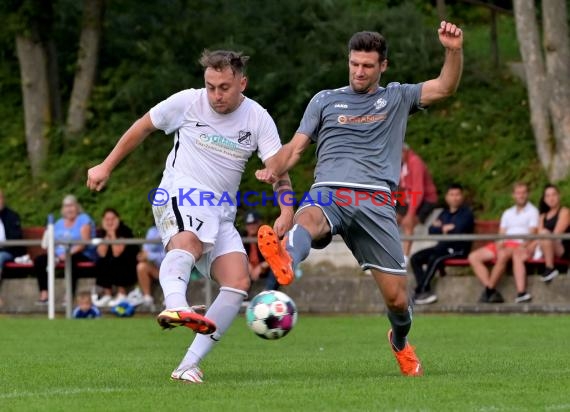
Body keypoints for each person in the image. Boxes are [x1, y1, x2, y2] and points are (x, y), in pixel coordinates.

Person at [255, 21, 464, 377]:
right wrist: (274, 168)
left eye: (367, 66)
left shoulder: (397, 96)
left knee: (398, 300)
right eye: (354, 64)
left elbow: (445, 87)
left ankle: (399, 341)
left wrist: (453, 50)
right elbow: (295, 149)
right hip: (329, 191)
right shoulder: (324, 100)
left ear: (383, 66)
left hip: (376, 201)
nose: (359, 71)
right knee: (309, 219)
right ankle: (287, 258)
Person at [86, 50, 294, 383]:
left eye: (224, 87)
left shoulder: (258, 118)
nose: (216, 95)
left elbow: (279, 170)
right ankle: (175, 304)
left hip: (222, 211)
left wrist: (286, 209)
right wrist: (106, 166)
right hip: (180, 193)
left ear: (243, 82)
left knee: (238, 281)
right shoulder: (187, 102)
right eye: (210, 86)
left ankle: (187, 365)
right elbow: (142, 127)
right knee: (188, 242)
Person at [468, 182, 539, 303]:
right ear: (513, 195)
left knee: (503, 254)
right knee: (473, 257)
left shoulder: (533, 211)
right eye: (518, 193)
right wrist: (500, 244)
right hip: (505, 244)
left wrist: (522, 245)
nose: (521, 196)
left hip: (518, 244)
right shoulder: (508, 212)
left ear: (527, 194)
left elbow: (531, 234)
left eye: (523, 193)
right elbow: (501, 233)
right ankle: (491, 289)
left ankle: (489, 290)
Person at [410, 183, 474, 305]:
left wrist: (442, 227)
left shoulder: (466, 213)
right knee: (415, 258)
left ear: (462, 197)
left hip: (458, 249)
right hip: (441, 247)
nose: (455, 197)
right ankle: (424, 290)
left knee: (435, 258)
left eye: (457, 194)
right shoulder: (444, 213)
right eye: (452, 194)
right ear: (447, 197)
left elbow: (459, 229)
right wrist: (445, 228)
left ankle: (421, 290)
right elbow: (431, 230)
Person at [33, 195, 97, 304]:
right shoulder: (58, 223)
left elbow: (83, 243)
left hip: (80, 253)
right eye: (66, 206)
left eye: (71, 205)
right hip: (59, 254)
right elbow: (50, 242)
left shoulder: (83, 219)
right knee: (40, 260)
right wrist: (56, 255)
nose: (69, 209)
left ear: (77, 207)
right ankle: (44, 294)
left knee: (71, 261)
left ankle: (68, 295)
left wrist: (67, 254)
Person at [511, 184, 569, 299]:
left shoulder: (565, 212)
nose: (551, 198)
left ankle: (550, 267)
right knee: (518, 253)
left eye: (553, 195)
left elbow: (556, 235)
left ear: (559, 196)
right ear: (544, 199)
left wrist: (538, 241)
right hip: (544, 245)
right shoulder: (542, 216)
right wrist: (526, 248)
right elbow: (538, 237)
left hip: (562, 247)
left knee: (544, 234)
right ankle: (521, 292)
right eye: (548, 196)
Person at [397, 144, 439, 261]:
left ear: (404, 151)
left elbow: (418, 190)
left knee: (408, 223)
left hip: (425, 199)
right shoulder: (400, 164)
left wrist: (410, 214)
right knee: (390, 221)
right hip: (407, 197)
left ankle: (404, 258)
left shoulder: (415, 163)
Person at [93, 208, 139, 307]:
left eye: (112, 219)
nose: (110, 222)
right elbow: (102, 253)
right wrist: (107, 234)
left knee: (118, 260)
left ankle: (122, 294)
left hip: (128, 264)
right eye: (107, 219)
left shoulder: (124, 230)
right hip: (110, 263)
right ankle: (107, 294)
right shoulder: (101, 232)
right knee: (101, 261)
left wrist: (112, 233)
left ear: (118, 219)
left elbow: (117, 252)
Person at [243, 210, 279, 292]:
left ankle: (267, 292)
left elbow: (276, 254)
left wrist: (262, 266)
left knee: (276, 269)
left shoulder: (267, 235)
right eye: (249, 224)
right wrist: (246, 264)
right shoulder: (242, 237)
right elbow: (236, 256)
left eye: (254, 223)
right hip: (249, 270)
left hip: (264, 270)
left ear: (259, 223)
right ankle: (243, 296)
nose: (251, 226)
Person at [135, 225, 166, 308]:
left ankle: (170, 298)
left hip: (171, 268)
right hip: (157, 269)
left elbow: (171, 255)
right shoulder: (152, 230)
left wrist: (150, 255)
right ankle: (147, 298)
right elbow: (146, 250)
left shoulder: (176, 229)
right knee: (141, 266)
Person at [0, 189, 25, 279]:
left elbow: (15, 237)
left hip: (9, 251)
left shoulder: (12, 216)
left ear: (3, 200)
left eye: (0, 198)